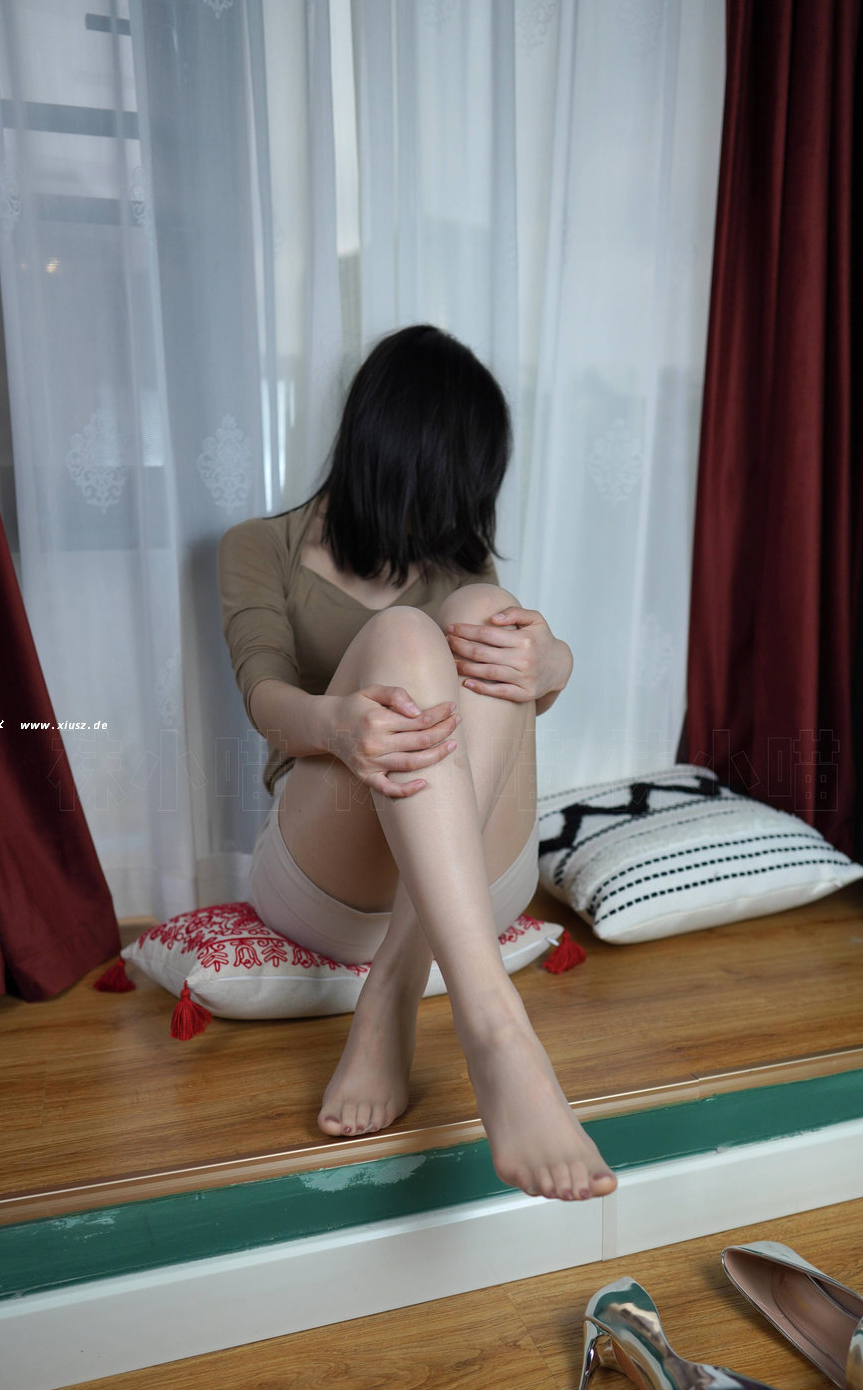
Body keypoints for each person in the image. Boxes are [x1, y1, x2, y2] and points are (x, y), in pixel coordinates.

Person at [218, 324, 616, 1203]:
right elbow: (264, 697)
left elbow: (511, 687)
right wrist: (336, 724)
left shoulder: (460, 569)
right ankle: (492, 1024)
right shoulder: (260, 546)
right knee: (402, 636)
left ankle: (405, 995)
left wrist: (556, 665)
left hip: (475, 884)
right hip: (326, 875)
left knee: (484, 609)